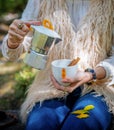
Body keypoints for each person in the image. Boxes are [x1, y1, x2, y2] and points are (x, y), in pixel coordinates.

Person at [2, 0, 114, 129]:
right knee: (39, 126)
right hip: (49, 88)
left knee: (80, 125)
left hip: (98, 89)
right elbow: (16, 49)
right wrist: (14, 40)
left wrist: (91, 74)